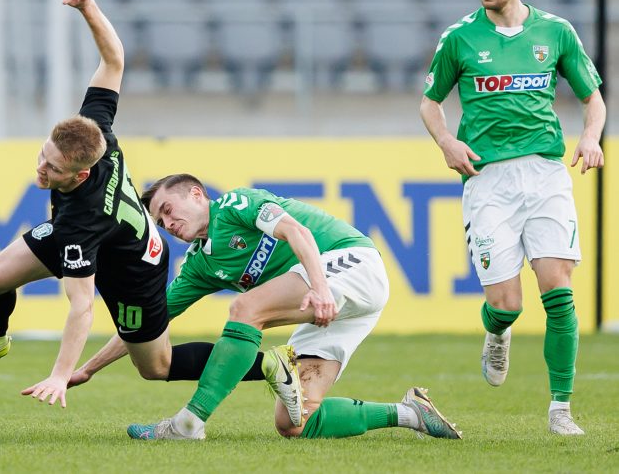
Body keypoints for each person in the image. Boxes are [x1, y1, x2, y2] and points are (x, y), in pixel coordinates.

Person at [0, 0, 300, 415]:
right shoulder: (93, 130)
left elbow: (82, 307)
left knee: (156, 367)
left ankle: (272, 366)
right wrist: (90, 10)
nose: (40, 167)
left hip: (135, 266)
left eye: (53, 168)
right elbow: (114, 60)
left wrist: (62, 374)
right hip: (96, 228)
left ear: (81, 176)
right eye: (43, 154)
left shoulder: (81, 223)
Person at [71, 175, 461, 441]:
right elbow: (148, 325)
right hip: (330, 300)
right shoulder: (200, 265)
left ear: (196, 193)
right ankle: (411, 413)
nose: (167, 223)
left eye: (169, 210)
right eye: (159, 220)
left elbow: (297, 232)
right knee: (295, 423)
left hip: (349, 263)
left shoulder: (237, 204)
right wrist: (86, 369)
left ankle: (189, 422)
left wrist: (323, 289)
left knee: (246, 308)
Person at [420, 0, 605, 436]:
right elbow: (429, 103)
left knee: (558, 290)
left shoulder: (556, 32)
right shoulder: (459, 37)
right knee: (507, 303)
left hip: (545, 173)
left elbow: (593, 98)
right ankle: (497, 331)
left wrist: (591, 138)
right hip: (487, 180)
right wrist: (448, 144)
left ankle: (561, 409)